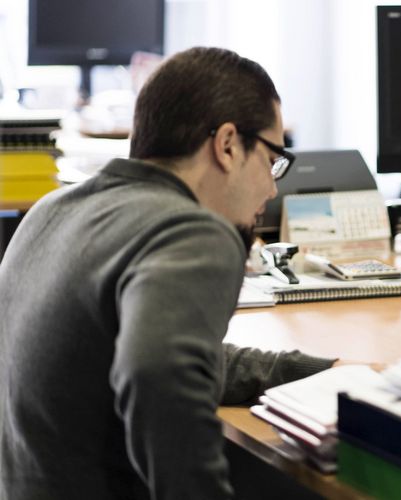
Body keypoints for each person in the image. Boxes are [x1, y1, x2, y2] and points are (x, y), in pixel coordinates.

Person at [0, 47, 348, 499]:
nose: (273, 185)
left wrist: (323, 372)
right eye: (272, 158)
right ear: (226, 144)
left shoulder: (53, 209)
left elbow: (172, 354)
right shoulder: (192, 230)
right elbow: (159, 376)